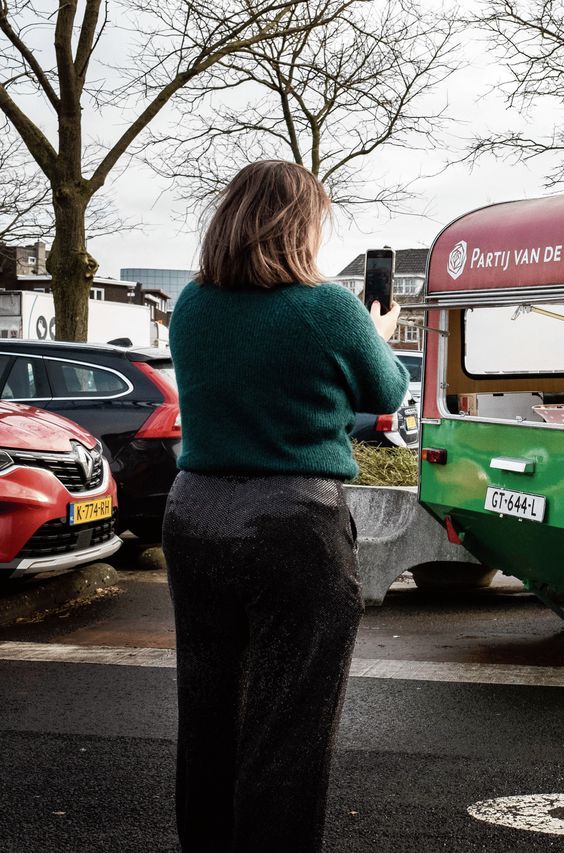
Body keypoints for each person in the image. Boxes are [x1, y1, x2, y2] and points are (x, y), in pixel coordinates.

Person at [163, 160, 408, 851]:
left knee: (207, 712)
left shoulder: (192, 304)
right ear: (300, 225)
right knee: (288, 725)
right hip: (294, 526)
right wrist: (377, 331)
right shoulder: (329, 308)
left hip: (194, 517)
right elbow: (386, 392)